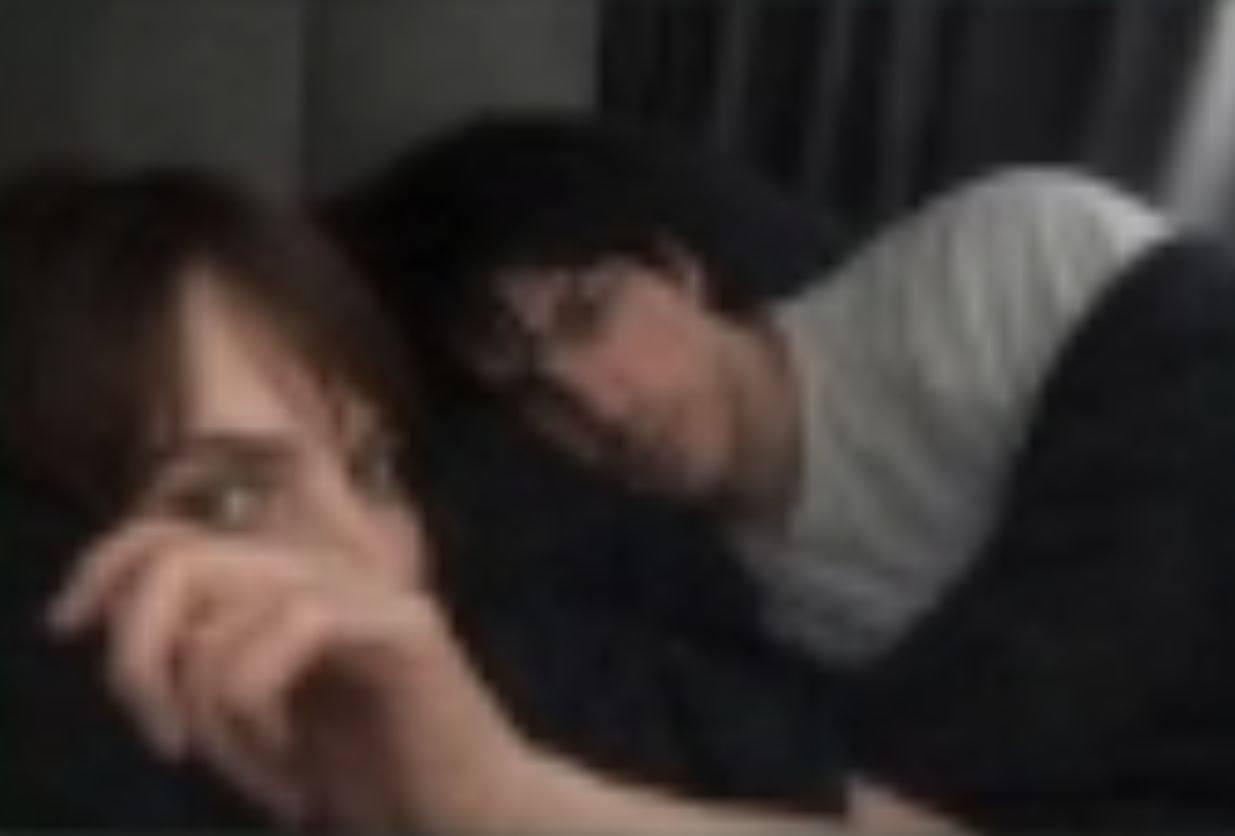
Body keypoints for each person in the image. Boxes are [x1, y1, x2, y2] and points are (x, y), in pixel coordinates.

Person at [0, 166, 950, 831]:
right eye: (228, 502)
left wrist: (501, 803)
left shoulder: (515, 678)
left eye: (373, 472)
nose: (369, 563)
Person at [329, 113, 1170, 668]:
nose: (598, 406)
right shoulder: (706, 619)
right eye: (533, 396)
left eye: (589, 315)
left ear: (676, 268)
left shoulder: (1001, 264)